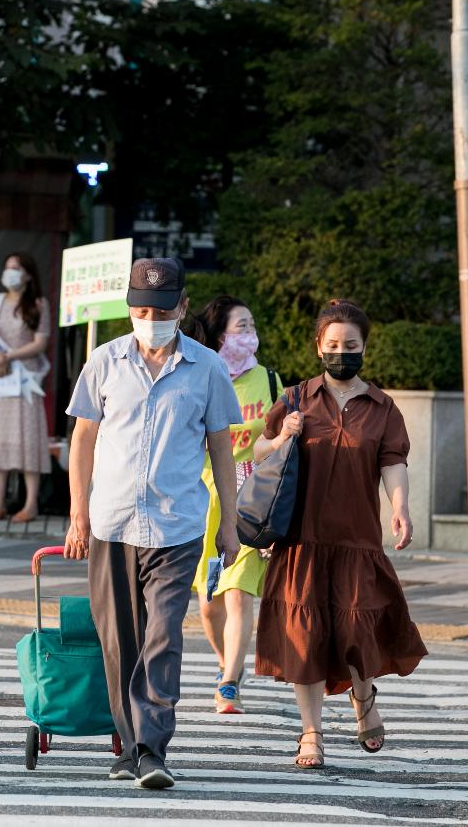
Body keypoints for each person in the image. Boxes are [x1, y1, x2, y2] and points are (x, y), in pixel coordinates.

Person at [64, 257, 242, 790]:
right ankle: (128, 742)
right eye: (141, 309)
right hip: (111, 523)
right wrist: (77, 514)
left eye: (162, 310)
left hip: (177, 525)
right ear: (129, 309)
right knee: (119, 639)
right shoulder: (104, 362)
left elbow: (222, 450)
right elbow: (83, 441)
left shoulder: (207, 368)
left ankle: (151, 748)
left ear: (182, 308)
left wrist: (228, 525)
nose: (151, 318)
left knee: (162, 636)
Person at [253, 298, 426, 770]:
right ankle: (311, 734)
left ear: (364, 347)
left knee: (355, 631)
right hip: (300, 540)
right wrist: (282, 435)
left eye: (351, 344)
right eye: (333, 344)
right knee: (304, 638)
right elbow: (258, 449)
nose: (341, 351)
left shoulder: (382, 407)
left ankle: (363, 694)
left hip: (356, 540)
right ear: (318, 347)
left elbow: (392, 462)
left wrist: (401, 508)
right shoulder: (294, 398)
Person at [186, 296, 283, 714]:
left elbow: (281, 439)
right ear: (221, 334)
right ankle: (227, 663)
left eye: (252, 325)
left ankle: (229, 682)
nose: (249, 333)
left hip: (252, 499)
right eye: (241, 326)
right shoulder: (201, 376)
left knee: (240, 593)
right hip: (204, 499)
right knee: (209, 606)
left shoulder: (272, 381)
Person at [0, 251, 51, 522]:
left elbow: (40, 343)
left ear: (28, 274)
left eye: (16, 268)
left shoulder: (39, 304)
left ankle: (30, 504)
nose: (10, 273)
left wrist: (9, 356)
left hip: (25, 380)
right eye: (7, 268)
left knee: (27, 437)